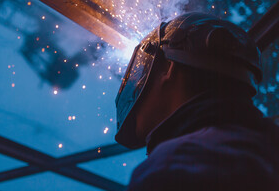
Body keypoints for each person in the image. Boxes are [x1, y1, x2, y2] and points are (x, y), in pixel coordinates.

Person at [114, 12, 279, 190]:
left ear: (168, 69)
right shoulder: (267, 148)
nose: (138, 84)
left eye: (144, 71)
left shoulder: (174, 167)